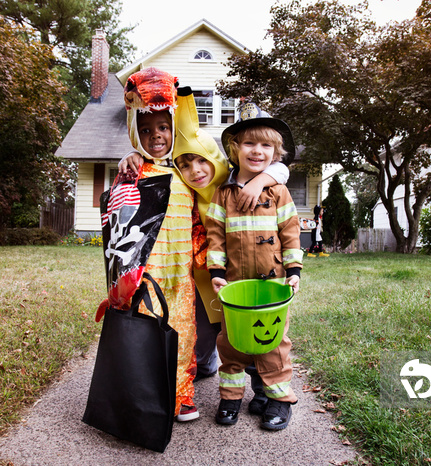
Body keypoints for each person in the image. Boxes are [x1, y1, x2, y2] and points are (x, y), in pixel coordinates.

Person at [119, 88, 290, 418]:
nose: (195, 169)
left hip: (248, 269)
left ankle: (264, 389)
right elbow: (154, 166)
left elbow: (279, 169)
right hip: (201, 275)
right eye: (186, 164)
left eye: (201, 160)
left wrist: (262, 178)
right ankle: (208, 364)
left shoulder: (232, 179)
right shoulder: (185, 185)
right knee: (210, 336)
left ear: (215, 159)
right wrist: (129, 157)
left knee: (251, 328)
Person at [104, 67, 198, 422]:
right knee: (144, 331)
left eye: (162, 127)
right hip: (147, 270)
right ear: (134, 131)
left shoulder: (187, 170)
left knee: (183, 329)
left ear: (174, 129)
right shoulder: (134, 170)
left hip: (181, 268)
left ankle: (182, 394)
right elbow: (118, 218)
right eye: (145, 129)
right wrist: (124, 162)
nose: (156, 135)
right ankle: (146, 393)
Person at [205, 103, 303, 431]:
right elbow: (215, 239)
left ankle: (277, 399)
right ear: (234, 149)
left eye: (266, 145)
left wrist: (294, 271)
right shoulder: (223, 194)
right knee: (231, 342)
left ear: (276, 152)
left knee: (273, 342)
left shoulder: (277, 190)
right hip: (235, 284)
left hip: (272, 281)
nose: (257, 151)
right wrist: (216, 274)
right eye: (249, 143)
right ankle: (231, 398)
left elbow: (291, 233)